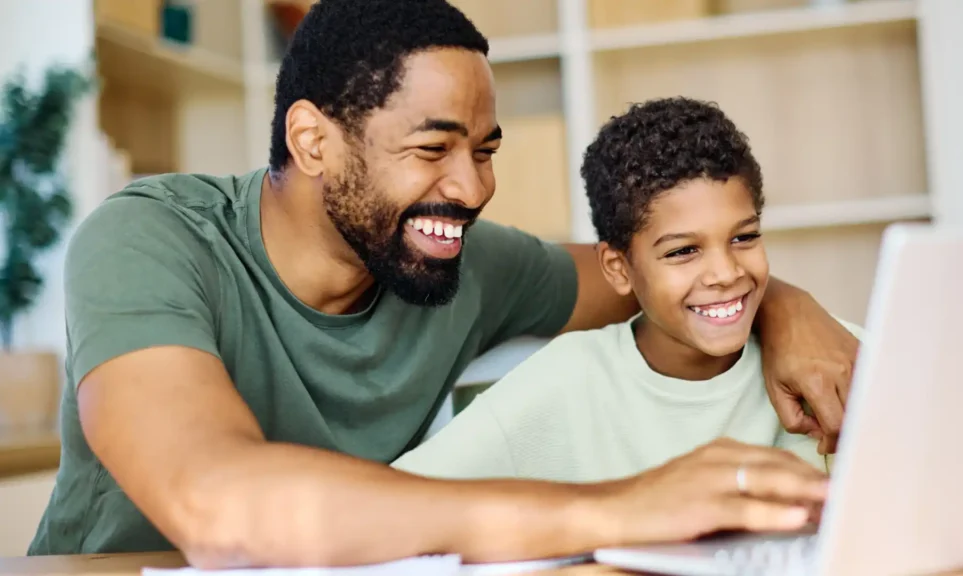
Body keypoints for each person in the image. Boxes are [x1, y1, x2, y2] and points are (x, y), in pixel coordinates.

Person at [30, 0, 858, 568]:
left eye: (485, 150)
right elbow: (218, 510)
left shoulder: (454, 258)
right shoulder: (150, 240)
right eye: (433, 148)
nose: (472, 188)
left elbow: (654, 272)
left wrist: (789, 311)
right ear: (313, 140)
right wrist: (623, 508)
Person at [393, 96, 865, 484]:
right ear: (618, 269)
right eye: (683, 251)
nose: (725, 272)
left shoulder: (835, 358)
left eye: (744, 237)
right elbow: (408, 499)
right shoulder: (566, 380)